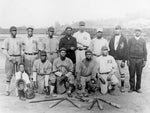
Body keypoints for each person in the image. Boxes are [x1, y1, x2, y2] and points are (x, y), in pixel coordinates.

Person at [1, 26, 22, 96]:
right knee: (8, 75)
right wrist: (10, 57)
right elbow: (4, 50)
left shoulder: (18, 40)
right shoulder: (7, 40)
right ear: (10, 32)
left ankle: (17, 90)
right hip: (10, 58)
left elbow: (22, 50)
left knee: (18, 75)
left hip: (18, 58)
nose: (14, 32)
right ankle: (7, 90)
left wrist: (20, 57)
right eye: (13, 31)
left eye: (15, 31)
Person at [109, 25, 128, 92]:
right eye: (116, 29)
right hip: (113, 58)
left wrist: (124, 60)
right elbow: (110, 48)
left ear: (121, 30)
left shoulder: (123, 39)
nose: (117, 30)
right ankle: (112, 85)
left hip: (120, 58)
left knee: (122, 73)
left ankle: (122, 86)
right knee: (112, 72)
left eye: (118, 29)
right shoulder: (112, 38)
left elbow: (126, 50)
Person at [128, 28, 147, 93]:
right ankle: (132, 87)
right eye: (136, 32)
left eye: (139, 32)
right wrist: (128, 59)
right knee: (131, 74)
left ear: (140, 33)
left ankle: (138, 88)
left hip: (140, 59)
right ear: (134, 32)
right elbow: (128, 50)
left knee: (139, 74)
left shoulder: (143, 40)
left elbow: (145, 51)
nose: (137, 33)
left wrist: (145, 60)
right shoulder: (130, 40)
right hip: (132, 59)